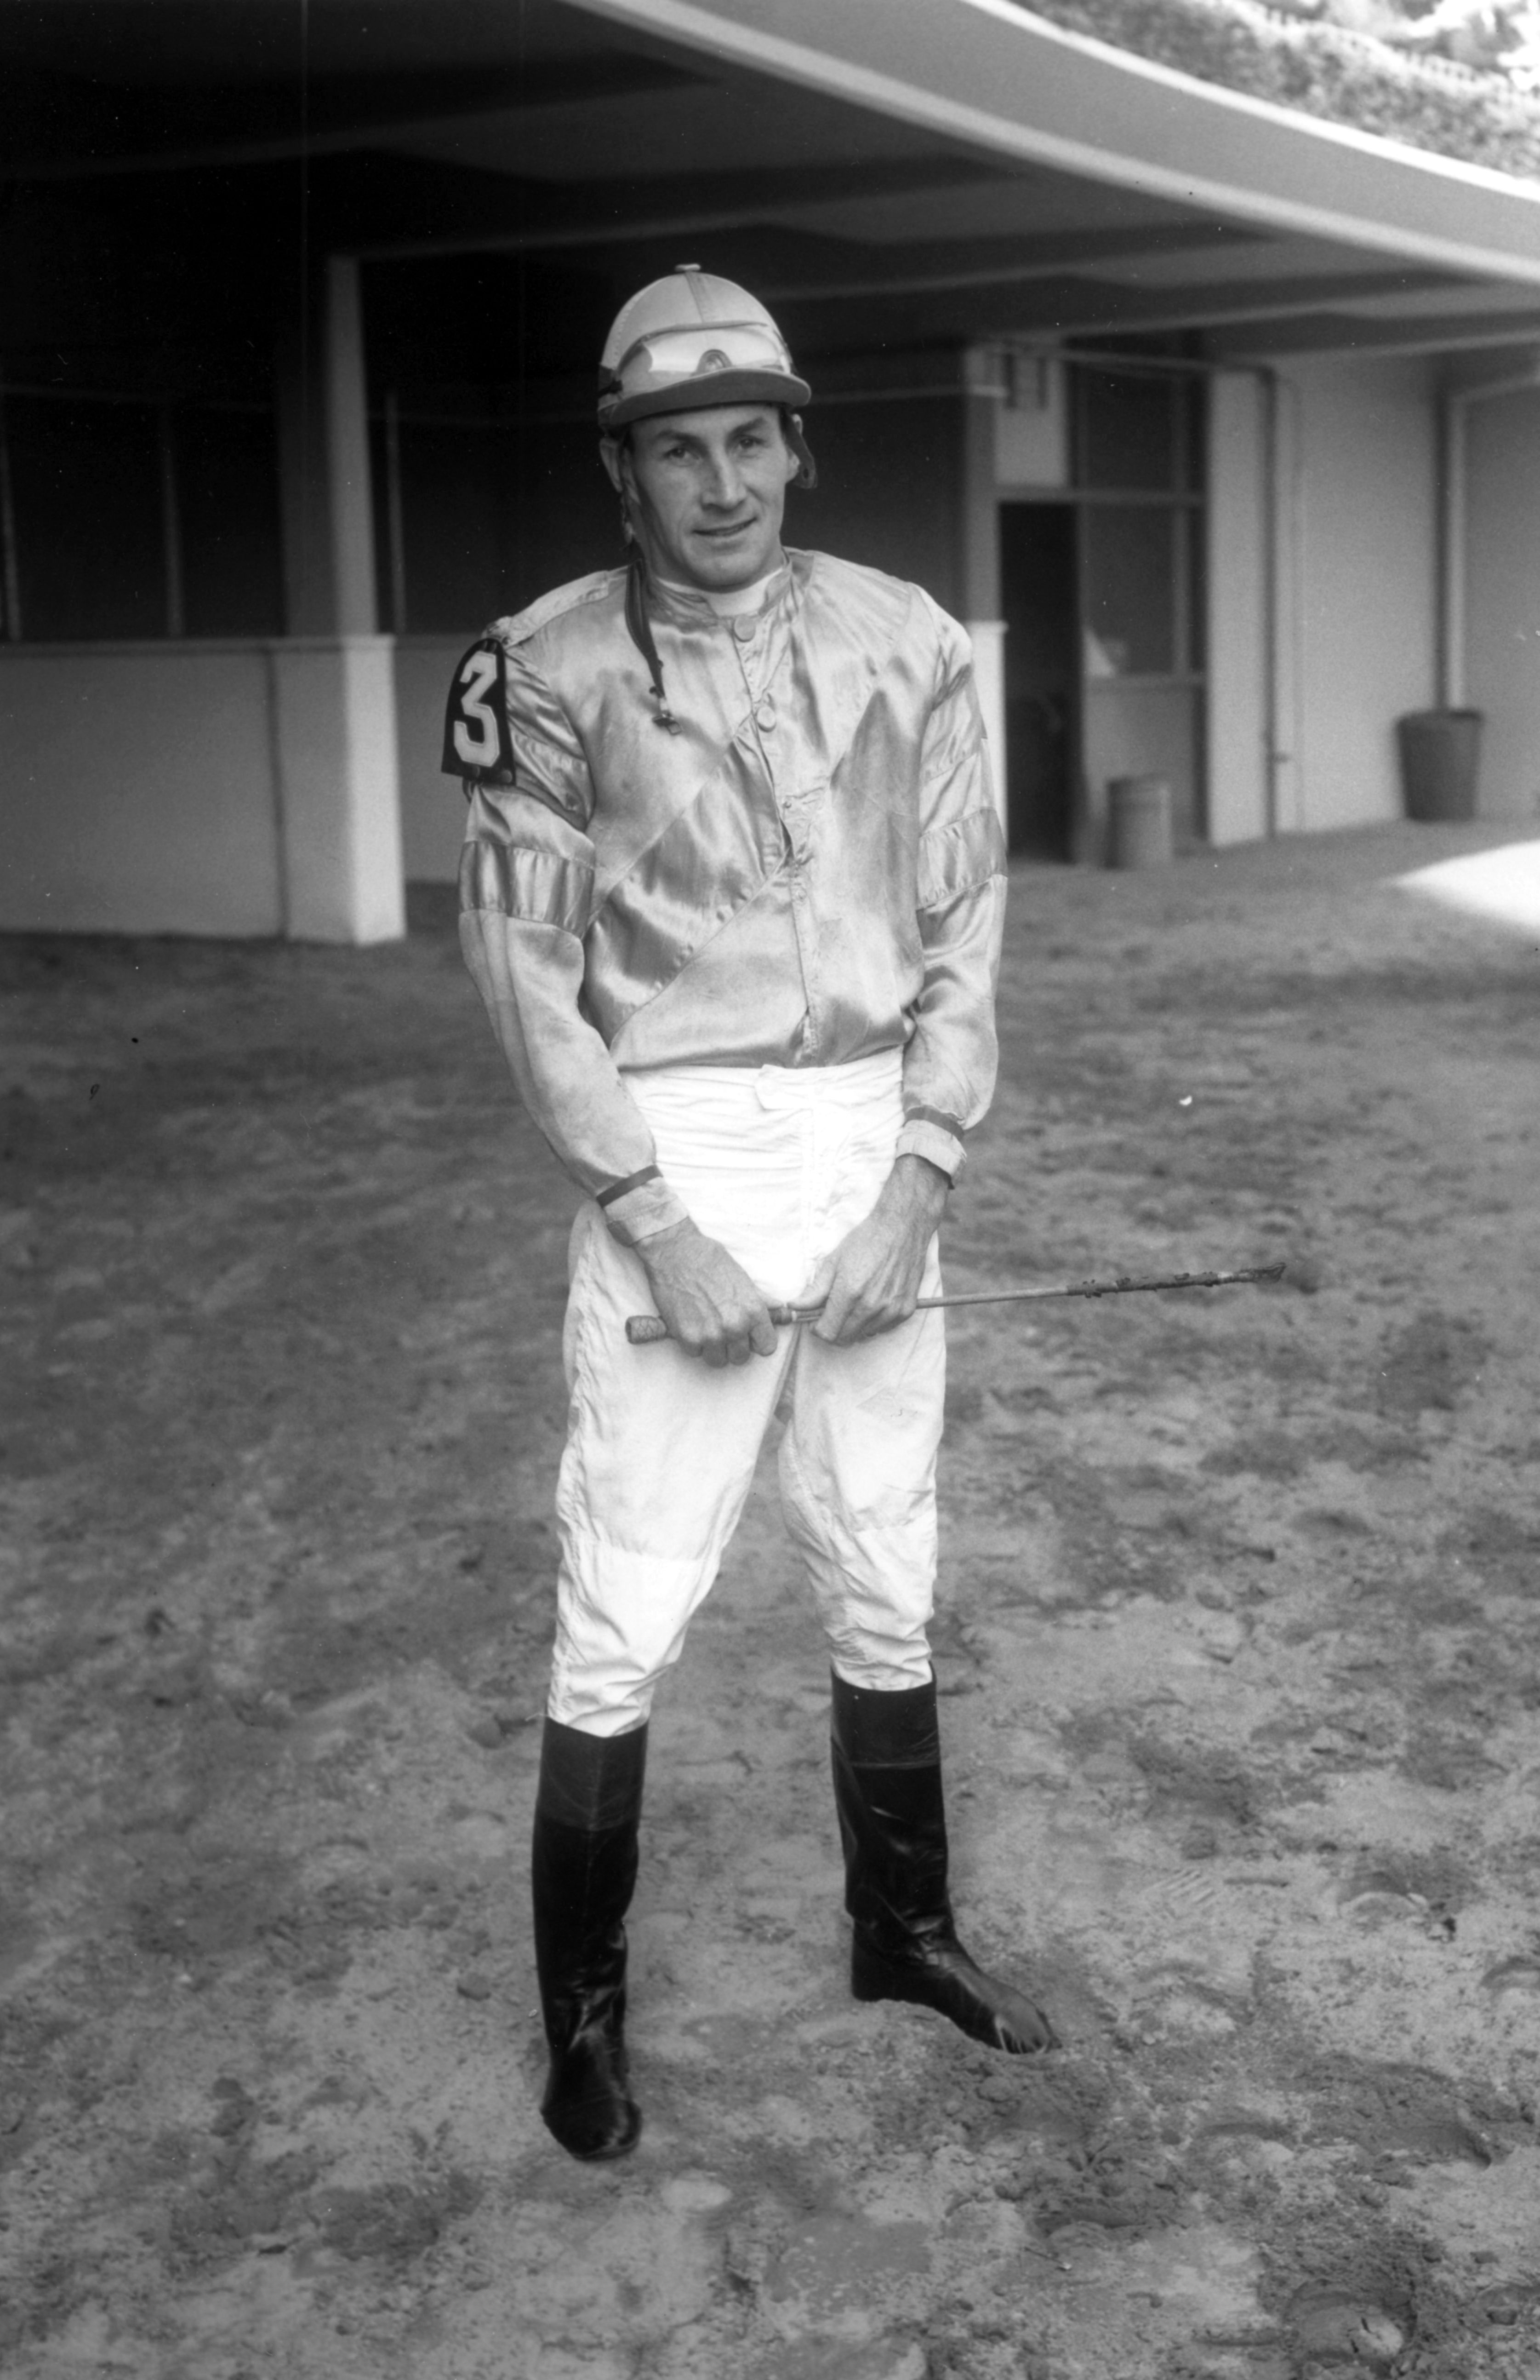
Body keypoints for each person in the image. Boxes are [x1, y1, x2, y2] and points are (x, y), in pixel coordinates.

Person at [444, 266, 1055, 2163]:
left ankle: (904, 1932)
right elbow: (525, 968)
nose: (719, 482)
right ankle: (583, 2021)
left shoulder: (913, 638)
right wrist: (652, 1217)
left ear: (795, 445)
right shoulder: (543, 664)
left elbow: (962, 912)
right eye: (673, 449)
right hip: (676, 1137)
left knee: (887, 1551)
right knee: (629, 1595)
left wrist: (923, 1172)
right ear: (623, 475)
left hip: (871, 1130)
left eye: (747, 439)